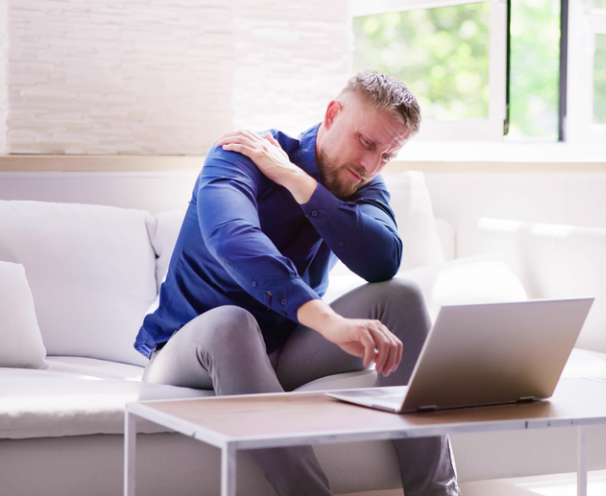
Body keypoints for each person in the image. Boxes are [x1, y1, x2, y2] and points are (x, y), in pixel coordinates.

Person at [134, 71, 460, 495]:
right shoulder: (240, 155)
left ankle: (437, 493)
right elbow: (234, 240)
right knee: (232, 322)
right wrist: (327, 321)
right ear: (331, 114)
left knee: (402, 296)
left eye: (387, 156)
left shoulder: (359, 182)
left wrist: (299, 182)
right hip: (189, 352)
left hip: (281, 352)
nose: (370, 165)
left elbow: (384, 261)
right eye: (366, 142)